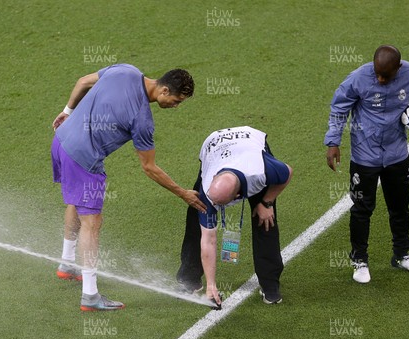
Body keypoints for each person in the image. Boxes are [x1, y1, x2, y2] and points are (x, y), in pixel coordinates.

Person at [51, 64, 206, 311]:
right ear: (164, 90)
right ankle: (90, 296)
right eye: (176, 101)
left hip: (61, 140)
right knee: (92, 224)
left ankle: (67, 263)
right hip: (83, 158)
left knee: (75, 201)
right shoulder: (142, 119)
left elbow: (82, 81)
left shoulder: (125, 70)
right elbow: (150, 168)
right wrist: (183, 193)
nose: (176, 107)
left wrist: (67, 111)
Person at [324, 45, 409, 284]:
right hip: (364, 157)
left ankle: (402, 255)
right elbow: (339, 107)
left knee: (400, 207)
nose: (380, 79)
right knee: (362, 209)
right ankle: (360, 260)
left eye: (385, 76)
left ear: (398, 68)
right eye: (377, 73)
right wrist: (332, 142)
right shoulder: (358, 78)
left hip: (397, 154)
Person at [176, 126, 292, 306]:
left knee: (265, 220)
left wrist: (267, 202)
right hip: (215, 146)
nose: (215, 207)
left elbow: (287, 173)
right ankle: (189, 276)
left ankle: (270, 286)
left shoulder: (262, 171)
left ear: (238, 197)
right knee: (195, 215)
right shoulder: (208, 191)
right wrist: (211, 285)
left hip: (249, 143)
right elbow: (209, 239)